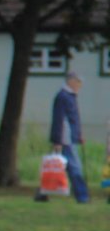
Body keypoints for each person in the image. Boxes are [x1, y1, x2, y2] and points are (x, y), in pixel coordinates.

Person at [41, 70, 91, 204]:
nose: (80, 85)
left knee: (54, 166)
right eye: (78, 82)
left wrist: (79, 135)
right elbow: (60, 119)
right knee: (75, 167)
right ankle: (82, 196)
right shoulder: (63, 97)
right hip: (65, 139)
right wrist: (58, 140)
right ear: (71, 81)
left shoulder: (70, 96)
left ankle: (42, 193)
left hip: (69, 137)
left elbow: (74, 119)